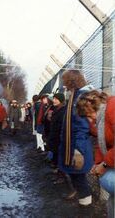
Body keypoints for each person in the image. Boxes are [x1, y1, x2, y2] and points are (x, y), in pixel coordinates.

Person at [58, 70, 94, 206]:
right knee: (76, 176)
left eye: (65, 81)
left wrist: (78, 150)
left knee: (78, 177)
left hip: (77, 146)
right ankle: (84, 201)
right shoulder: (75, 96)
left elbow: (81, 126)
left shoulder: (80, 98)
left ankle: (86, 205)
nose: (63, 84)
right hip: (73, 144)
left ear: (71, 81)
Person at [76, 90, 115, 217]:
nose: (89, 120)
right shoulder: (100, 119)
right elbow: (101, 143)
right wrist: (97, 163)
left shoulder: (112, 108)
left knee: (109, 180)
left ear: (92, 107)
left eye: (87, 115)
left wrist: (104, 165)